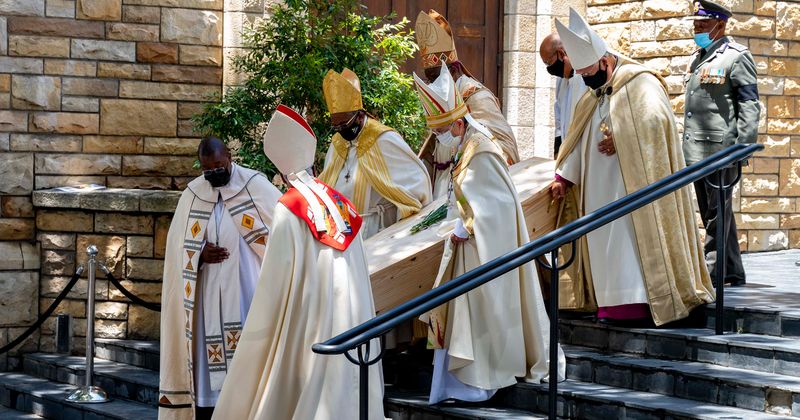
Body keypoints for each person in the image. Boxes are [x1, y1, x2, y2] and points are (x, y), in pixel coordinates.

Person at [212, 105, 385, 419]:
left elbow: (275, 281)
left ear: (280, 167)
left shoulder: (289, 207)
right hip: (352, 312)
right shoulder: (342, 203)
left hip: (311, 317)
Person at [549, 9, 715, 325]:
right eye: (582, 75)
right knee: (603, 247)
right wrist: (564, 177)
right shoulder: (591, 95)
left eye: (590, 73)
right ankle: (607, 304)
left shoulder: (641, 83)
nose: (587, 80)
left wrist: (622, 138)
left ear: (605, 61)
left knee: (629, 246)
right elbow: (578, 138)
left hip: (630, 189)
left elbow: (655, 122)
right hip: (596, 193)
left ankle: (639, 303)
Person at [413, 63, 564, 405]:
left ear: (458, 123)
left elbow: (499, 208)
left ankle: (479, 381)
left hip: (484, 251)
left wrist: (466, 226)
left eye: (442, 133)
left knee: (479, 316)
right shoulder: (464, 147)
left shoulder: (481, 149)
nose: (439, 140)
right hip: (468, 249)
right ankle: (457, 384)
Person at [158, 137, 282, 420]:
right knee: (204, 358)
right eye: (207, 169)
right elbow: (177, 244)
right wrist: (199, 254)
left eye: (218, 165)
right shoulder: (193, 193)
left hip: (245, 288)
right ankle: (207, 409)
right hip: (206, 295)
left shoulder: (254, 185)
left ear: (229, 155)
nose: (214, 173)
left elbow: (284, 232)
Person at [684, 0, 760, 287]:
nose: (697, 30)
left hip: (721, 151)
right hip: (697, 150)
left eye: (702, 25)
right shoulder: (700, 57)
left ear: (721, 25)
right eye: (695, 25)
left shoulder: (736, 57)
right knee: (713, 210)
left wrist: (743, 147)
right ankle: (733, 271)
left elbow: (750, 104)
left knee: (717, 213)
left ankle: (713, 271)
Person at [415, 9, 520, 198]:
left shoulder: (475, 96)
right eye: (429, 78)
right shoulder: (438, 96)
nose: (433, 83)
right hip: (443, 180)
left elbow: (502, 144)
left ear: (452, 70)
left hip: (472, 180)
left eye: (437, 75)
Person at [318, 68, 431, 239]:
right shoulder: (338, 142)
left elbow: (417, 182)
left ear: (359, 115)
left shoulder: (384, 139)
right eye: (336, 126)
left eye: (344, 124)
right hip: (341, 231)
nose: (341, 130)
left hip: (375, 229)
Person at [540, 32, 588, 158]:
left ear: (561, 54)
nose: (549, 67)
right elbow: (559, 115)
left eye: (548, 62)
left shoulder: (587, 77)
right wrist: (557, 150)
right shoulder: (561, 79)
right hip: (567, 152)